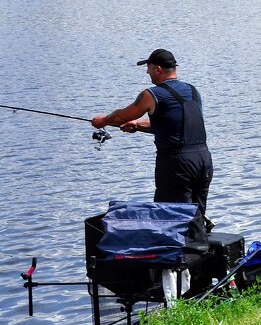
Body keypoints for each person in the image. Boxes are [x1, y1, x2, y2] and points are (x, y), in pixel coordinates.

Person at [91, 48, 214, 215]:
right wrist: (137, 125)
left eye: (148, 67)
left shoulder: (152, 94)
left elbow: (121, 117)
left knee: (171, 217)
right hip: (203, 160)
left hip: (177, 163)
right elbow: (174, 126)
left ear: (158, 69)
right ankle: (198, 240)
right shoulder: (193, 91)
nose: (147, 72)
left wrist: (103, 120)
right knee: (196, 217)